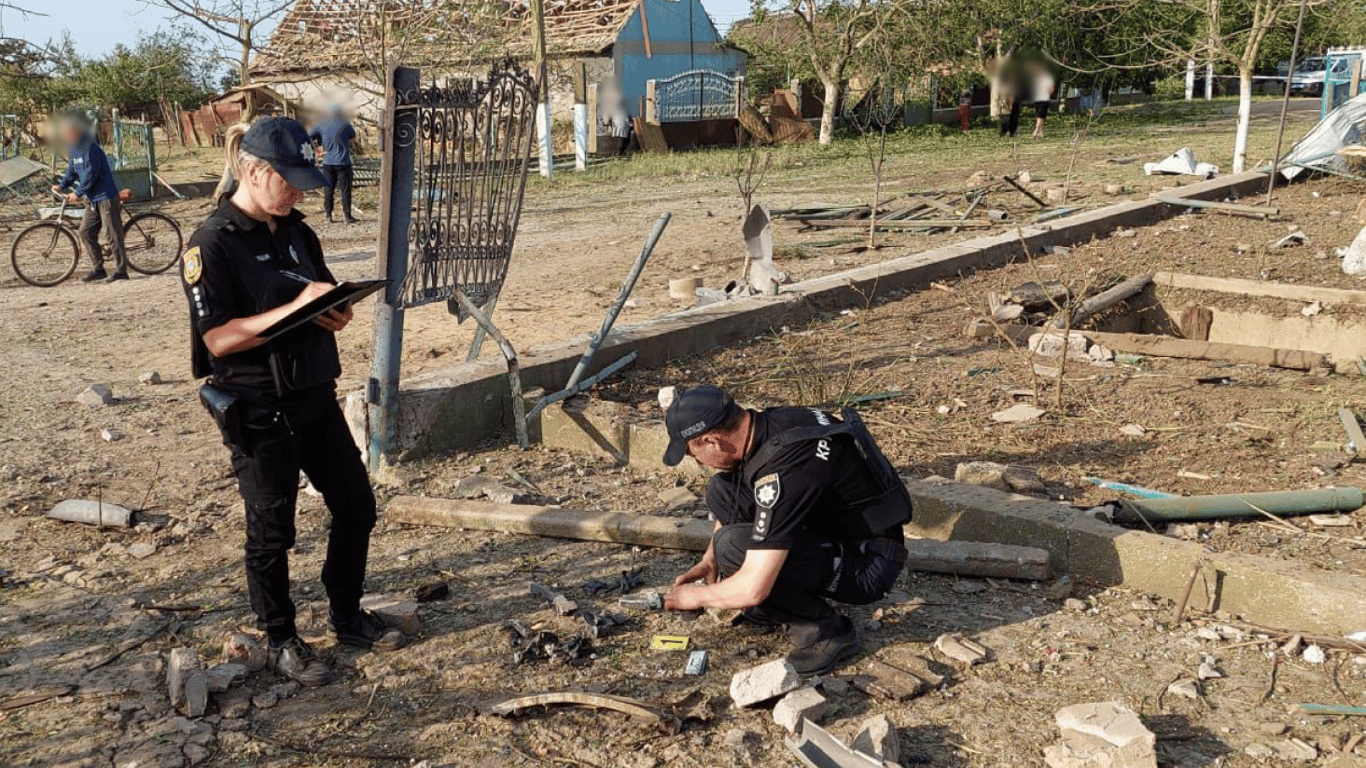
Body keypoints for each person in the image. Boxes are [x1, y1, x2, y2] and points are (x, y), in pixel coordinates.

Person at [181, 117, 405, 687]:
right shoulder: (211, 244)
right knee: (271, 531)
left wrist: (337, 310)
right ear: (254, 172)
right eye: (291, 180)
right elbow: (218, 339)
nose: (302, 192)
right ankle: (281, 638)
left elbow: (322, 296)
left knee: (356, 505)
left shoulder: (299, 232)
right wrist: (294, 308)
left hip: (314, 397)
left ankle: (347, 614)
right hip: (258, 407)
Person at [661, 386, 913, 675]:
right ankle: (778, 599)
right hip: (838, 529)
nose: (697, 462)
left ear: (712, 440)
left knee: (733, 545)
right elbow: (736, 496)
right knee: (722, 489)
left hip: (866, 564)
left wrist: (697, 597)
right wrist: (710, 560)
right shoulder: (770, 423)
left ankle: (825, 632)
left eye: (693, 453)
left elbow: (753, 588)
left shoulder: (787, 472)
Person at [52, 112, 128, 283]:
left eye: (67, 132)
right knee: (85, 232)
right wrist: (62, 185)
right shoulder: (74, 149)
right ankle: (98, 268)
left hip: (106, 197)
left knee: (112, 235)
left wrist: (77, 193)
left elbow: (90, 176)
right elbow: (71, 171)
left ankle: (121, 270)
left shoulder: (91, 148)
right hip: (92, 199)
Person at [309, 107, 358, 223]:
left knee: (328, 189)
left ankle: (328, 216)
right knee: (345, 190)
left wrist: (317, 147)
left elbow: (310, 135)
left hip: (327, 162)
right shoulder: (345, 124)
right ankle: (347, 216)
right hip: (343, 162)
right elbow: (353, 137)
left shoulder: (322, 124)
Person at [1030, 64, 1056, 139]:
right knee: (1038, 115)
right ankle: (1041, 132)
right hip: (1038, 98)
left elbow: (1051, 88)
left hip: (1044, 98)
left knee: (1040, 115)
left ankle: (1036, 131)